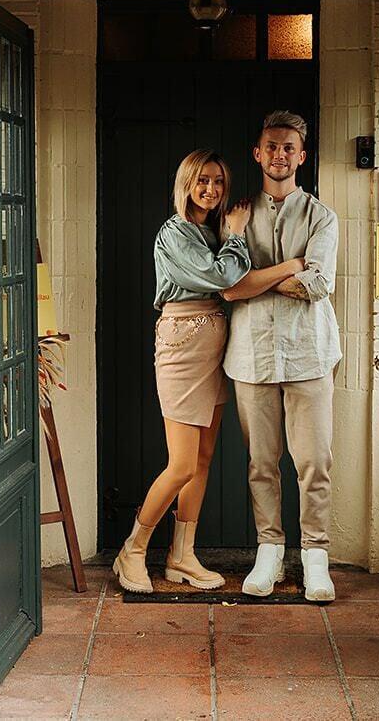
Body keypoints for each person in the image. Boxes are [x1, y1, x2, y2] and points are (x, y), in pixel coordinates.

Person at [113, 149, 306, 594]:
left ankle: (182, 556)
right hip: (182, 346)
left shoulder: (208, 231)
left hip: (215, 345)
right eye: (202, 180)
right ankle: (134, 549)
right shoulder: (175, 232)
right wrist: (241, 237)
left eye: (219, 181)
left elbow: (237, 287)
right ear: (186, 183)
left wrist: (245, 251)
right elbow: (224, 279)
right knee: (180, 463)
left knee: (201, 460)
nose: (211, 189)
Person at [221, 111, 342, 602]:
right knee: (261, 463)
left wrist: (260, 278)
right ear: (258, 152)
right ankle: (268, 552)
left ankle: (316, 557)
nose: (279, 155)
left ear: (301, 155)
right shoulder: (237, 216)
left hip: (309, 356)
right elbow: (228, 286)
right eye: (271, 146)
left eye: (288, 147)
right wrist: (290, 267)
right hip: (251, 357)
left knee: (314, 462)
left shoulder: (321, 217)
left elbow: (319, 284)